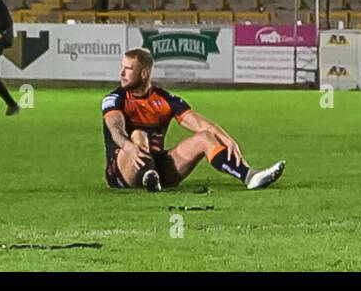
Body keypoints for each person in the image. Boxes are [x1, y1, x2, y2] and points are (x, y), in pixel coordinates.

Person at [101, 48, 285, 192]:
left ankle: (250, 177)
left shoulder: (166, 99)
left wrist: (227, 139)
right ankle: (148, 177)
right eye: (122, 67)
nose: (122, 73)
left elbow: (200, 124)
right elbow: (115, 130)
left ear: (143, 73)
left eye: (128, 69)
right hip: (123, 172)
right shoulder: (115, 99)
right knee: (139, 135)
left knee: (205, 137)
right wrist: (129, 147)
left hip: (160, 168)